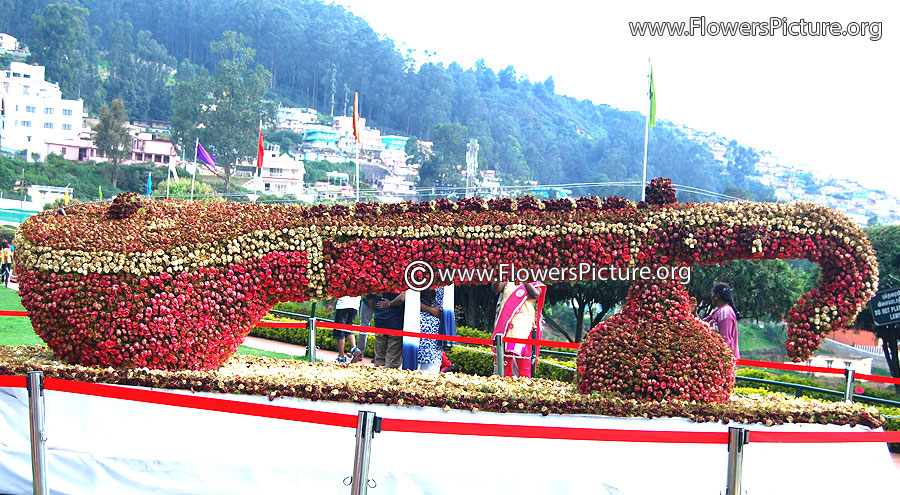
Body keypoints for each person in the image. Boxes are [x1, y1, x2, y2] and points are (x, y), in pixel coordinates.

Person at [380, 288, 445, 372]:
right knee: (431, 366)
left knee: (411, 364)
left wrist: (390, 304)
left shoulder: (416, 283)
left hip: (414, 323)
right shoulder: (444, 286)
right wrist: (432, 310)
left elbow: (406, 298)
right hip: (434, 327)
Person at [492, 281, 546, 377]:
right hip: (505, 327)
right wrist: (499, 275)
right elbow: (496, 289)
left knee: (524, 363)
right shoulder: (509, 281)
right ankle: (504, 382)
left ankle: (525, 383)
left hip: (524, 328)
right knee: (505, 361)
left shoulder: (535, 283)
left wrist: (524, 280)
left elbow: (535, 294)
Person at [702, 282, 741, 358]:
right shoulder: (717, 311)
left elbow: (725, 340)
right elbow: (703, 323)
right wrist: (693, 313)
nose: (711, 296)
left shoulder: (725, 312)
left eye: (712, 294)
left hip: (726, 359)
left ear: (717, 296)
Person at [371, 292, 404, 368]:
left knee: (379, 360)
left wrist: (377, 312)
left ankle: (378, 375)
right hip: (397, 323)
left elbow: (370, 299)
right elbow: (402, 298)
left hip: (380, 321)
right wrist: (390, 304)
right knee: (392, 362)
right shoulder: (403, 284)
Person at [328, 296, 362, 364]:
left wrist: (331, 303)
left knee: (339, 331)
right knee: (349, 328)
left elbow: (337, 292)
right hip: (355, 306)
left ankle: (341, 357)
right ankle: (354, 348)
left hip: (343, 305)